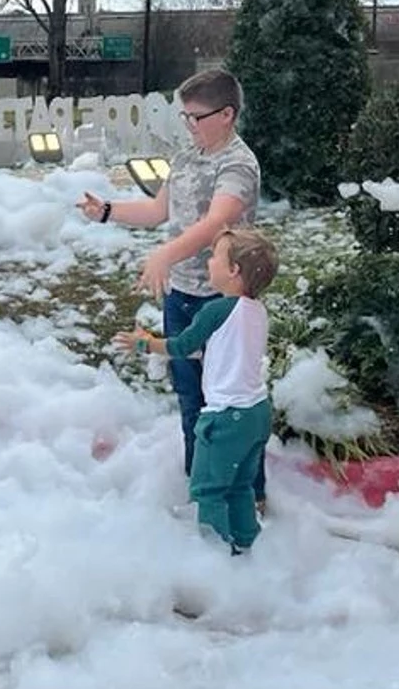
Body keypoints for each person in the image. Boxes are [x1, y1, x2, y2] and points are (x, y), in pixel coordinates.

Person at [76, 69, 265, 508]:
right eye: (185, 117)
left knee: (230, 402)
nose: (189, 126)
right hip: (183, 295)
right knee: (190, 397)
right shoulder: (186, 156)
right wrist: (106, 211)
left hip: (225, 298)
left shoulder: (237, 163)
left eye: (196, 118)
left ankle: (248, 495)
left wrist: (165, 255)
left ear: (227, 115)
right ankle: (200, 486)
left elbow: (217, 221)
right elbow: (159, 210)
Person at [113, 228, 279, 553]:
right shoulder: (257, 311)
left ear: (233, 271)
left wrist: (144, 344)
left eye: (215, 256)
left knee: (208, 490)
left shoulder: (217, 310)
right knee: (240, 485)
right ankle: (247, 546)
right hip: (256, 412)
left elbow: (183, 346)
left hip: (227, 416)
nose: (209, 263)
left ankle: (214, 561)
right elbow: (218, 349)